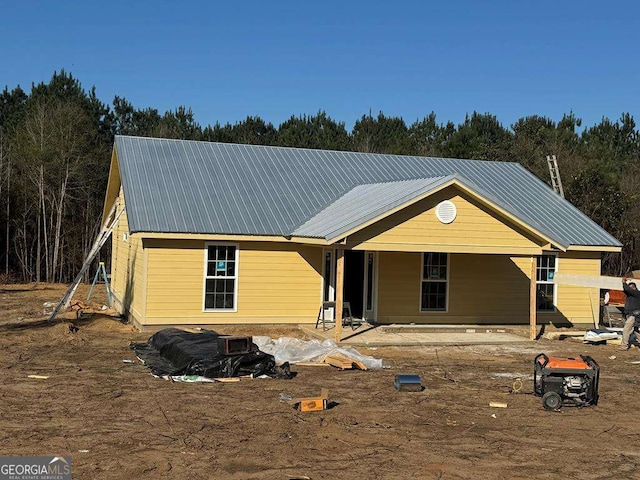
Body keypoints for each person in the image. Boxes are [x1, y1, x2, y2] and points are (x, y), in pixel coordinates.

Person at [621, 277, 640, 350]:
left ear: (634, 288)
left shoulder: (637, 293)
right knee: (636, 331)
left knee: (626, 329)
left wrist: (623, 282)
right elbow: (626, 290)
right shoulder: (631, 295)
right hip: (631, 314)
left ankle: (624, 346)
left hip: (634, 315)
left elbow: (627, 289)